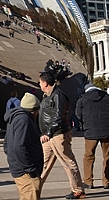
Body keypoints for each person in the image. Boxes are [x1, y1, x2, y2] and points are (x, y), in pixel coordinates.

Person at [38, 71, 85, 199]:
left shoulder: (58, 95)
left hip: (58, 134)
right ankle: (34, 190)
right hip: (48, 136)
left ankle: (78, 190)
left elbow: (59, 115)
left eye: (40, 82)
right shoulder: (47, 95)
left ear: (45, 83)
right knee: (43, 163)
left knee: (67, 161)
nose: (39, 84)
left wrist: (49, 132)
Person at [74, 82, 109, 190]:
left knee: (88, 156)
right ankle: (107, 181)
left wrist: (85, 123)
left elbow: (78, 114)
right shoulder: (107, 97)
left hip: (90, 131)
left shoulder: (82, 99)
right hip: (106, 130)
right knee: (108, 156)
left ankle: (88, 182)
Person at [4, 92, 44, 200]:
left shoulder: (15, 118)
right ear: (33, 111)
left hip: (19, 167)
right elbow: (19, 147)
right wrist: (30, 169)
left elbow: (7, 144)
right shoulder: (24, 121)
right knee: (30, 195)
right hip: (25, 171)